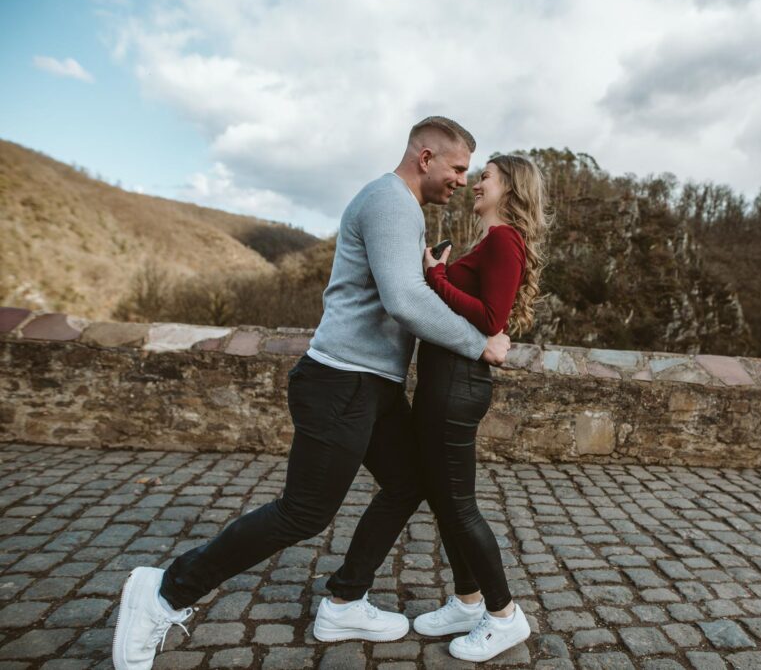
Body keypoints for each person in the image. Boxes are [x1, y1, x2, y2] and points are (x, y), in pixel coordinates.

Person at [111, 116, 511, 670]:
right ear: (426, 157)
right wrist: (479, 342)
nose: (463, 181)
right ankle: (165, 591)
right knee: (303, 512)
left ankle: (346, 600)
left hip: (374, 385)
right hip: (340, 381)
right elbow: (402, 301)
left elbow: (409, 293)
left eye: (471, 173)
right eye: (458, 168)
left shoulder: (405, 209)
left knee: (409, 482)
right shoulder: (390, 202)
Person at [337, 155, 549, 662]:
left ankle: (503, 615)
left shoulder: (504, 240)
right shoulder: (492, 241)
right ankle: (468, 600)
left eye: (487, 177)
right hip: (443, 383)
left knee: (458, 505)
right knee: (444, 497)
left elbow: (491, 317)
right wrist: (443, 272)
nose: (477, 183)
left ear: (511, 188)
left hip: (456, 387)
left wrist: (434, 277)